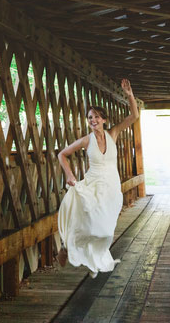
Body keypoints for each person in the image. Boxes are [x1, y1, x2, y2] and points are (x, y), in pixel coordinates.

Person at [56, 78, 139, 277]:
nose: (92, 120)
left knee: (106, 230)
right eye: (90, 117)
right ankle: (67, 246)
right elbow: (61, 155)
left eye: (96, 117)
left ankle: (77, 248)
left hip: (111, 187)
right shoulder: (86, 140)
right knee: (90, 222)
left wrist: (129, 94)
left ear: (104, 120)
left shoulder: (114, 133)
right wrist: (69, 175)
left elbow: (134, 115)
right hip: (92, 185)